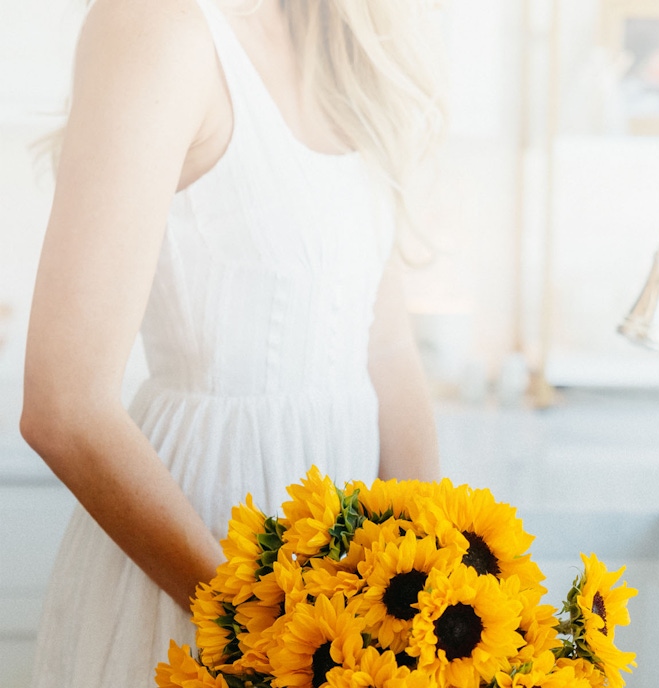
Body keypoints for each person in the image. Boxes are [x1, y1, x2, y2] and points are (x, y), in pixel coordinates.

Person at [20, 0, 445, 685]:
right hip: (197, 578)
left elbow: (387, 352)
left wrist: (425, 593)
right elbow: (65, 410)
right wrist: (262, 630)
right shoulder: (156, 27)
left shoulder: (340, 41)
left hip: (347, 594)